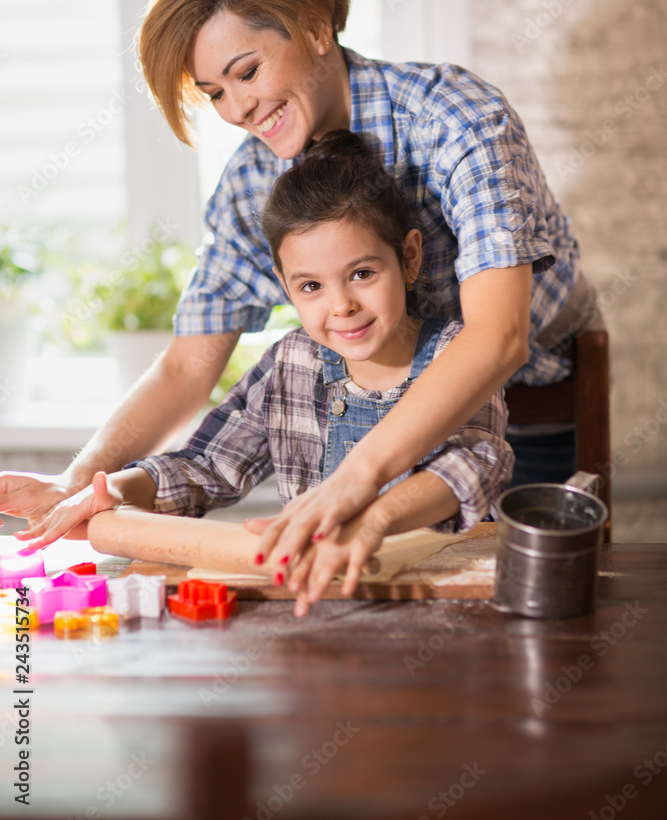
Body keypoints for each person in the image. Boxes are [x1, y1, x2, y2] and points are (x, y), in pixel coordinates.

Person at [0, 0, 594, 568]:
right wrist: (80, 480)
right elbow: (186, 366)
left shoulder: (453, 117)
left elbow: (496, 337)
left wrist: (355, 483)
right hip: (366, 438)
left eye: (246, 72)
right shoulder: (250, 183)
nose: (237, 110)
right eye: (214, 93)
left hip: (531, 414)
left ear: (314, 28)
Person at [14, 134, 513, 615]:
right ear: (285, 286)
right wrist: (113, 490)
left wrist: (373, 519)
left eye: (362, 274)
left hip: (442, 603)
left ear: (408, 257)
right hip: (315, 604)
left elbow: (476, 465)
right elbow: (207, 466)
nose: (341, 305)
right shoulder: (289, 364)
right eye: (312, 285)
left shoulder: (458, 355)